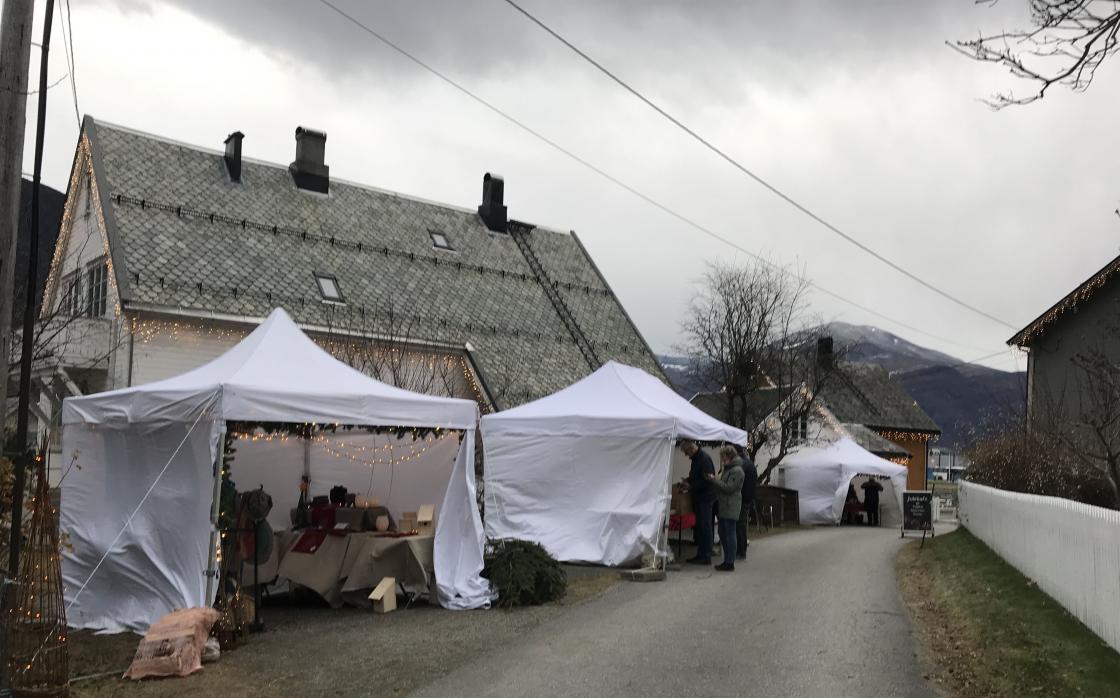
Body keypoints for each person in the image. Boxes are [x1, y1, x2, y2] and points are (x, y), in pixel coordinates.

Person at [706, 446, 745, 571]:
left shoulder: (737, 471)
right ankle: (727, 560)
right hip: (724, 505)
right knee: (723, 533)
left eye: (723, 457)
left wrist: (714, 480)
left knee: (730, 533)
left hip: (731, 505)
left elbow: (729, 488)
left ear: (729, 456)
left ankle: (730, 561)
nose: (722, 460)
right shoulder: (729, 469)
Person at [680, 440, 715, 564]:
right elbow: (698, 476)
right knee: (701, 526)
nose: (686, 455)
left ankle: (705, 555)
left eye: (686, 452)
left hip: (705, 498)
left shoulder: (703, 459)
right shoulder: (698, 459)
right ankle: (702, 553)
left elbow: (707, 480)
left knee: (704, 526)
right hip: (701, 497)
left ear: (691, 448)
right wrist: (688, 480)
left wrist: (691, 486)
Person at [736, 446, 757, 560]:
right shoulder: (749, 463)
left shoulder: (741, 464)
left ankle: (741, 551)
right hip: (748, 497)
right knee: (741, 524)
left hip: (742, 498)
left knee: (739, 525)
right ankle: (742, 549)